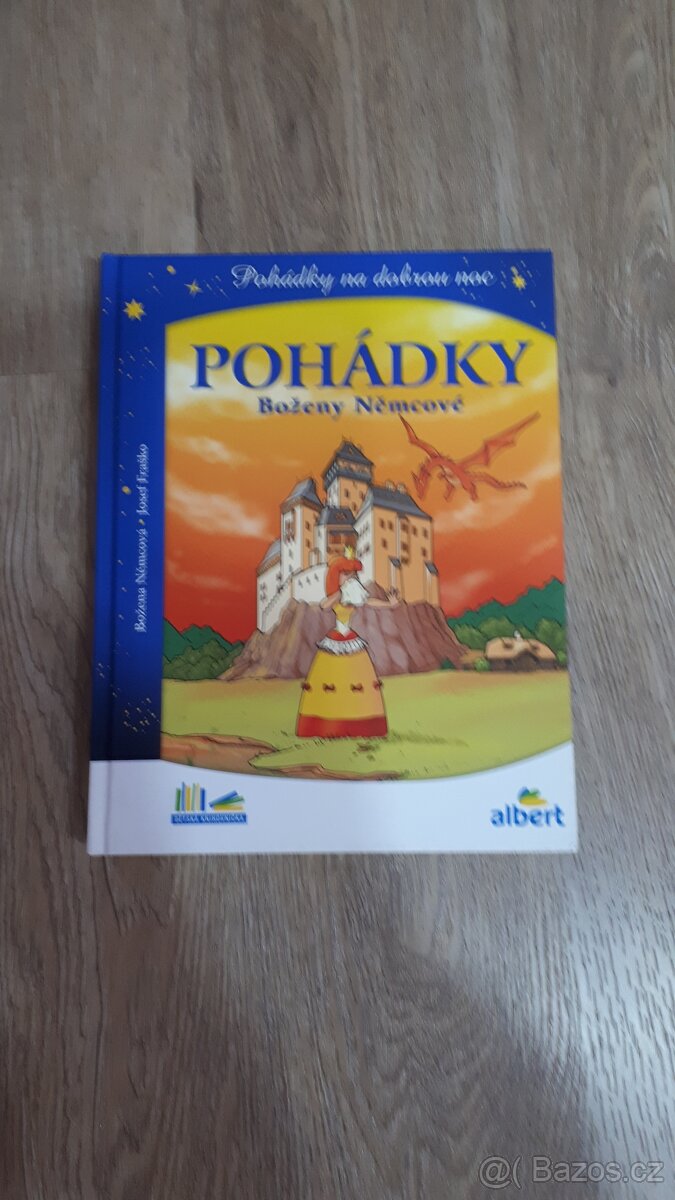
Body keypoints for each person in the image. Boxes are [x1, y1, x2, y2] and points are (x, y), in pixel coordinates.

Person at [296, 547, 397, 738]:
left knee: (356, 677)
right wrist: (339, 592)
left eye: (352, 574)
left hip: (350, 638)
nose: (350, 577)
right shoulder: (339, 594)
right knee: (331, 679)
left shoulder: (354, 593)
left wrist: (389, 604)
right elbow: (324, 605)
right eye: (345, 573)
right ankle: (326, 725)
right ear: (337, 576)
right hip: (336, 638)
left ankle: (362, 724)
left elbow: (368, 602)